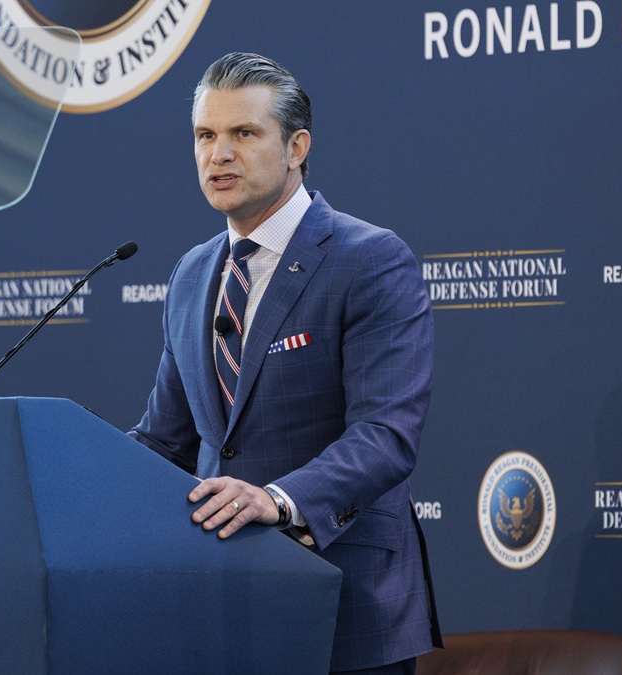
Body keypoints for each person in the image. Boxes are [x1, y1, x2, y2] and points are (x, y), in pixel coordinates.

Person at [128, 52, 442, 674]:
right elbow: (163, 441)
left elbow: (385, 437)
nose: (218, 154)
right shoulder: (193, 274)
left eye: (243, 134)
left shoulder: (369, 259)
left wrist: (277, 498)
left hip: (344, 598)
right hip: (224, 601)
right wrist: (72, 476)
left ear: (297, 146)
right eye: (205, 135)